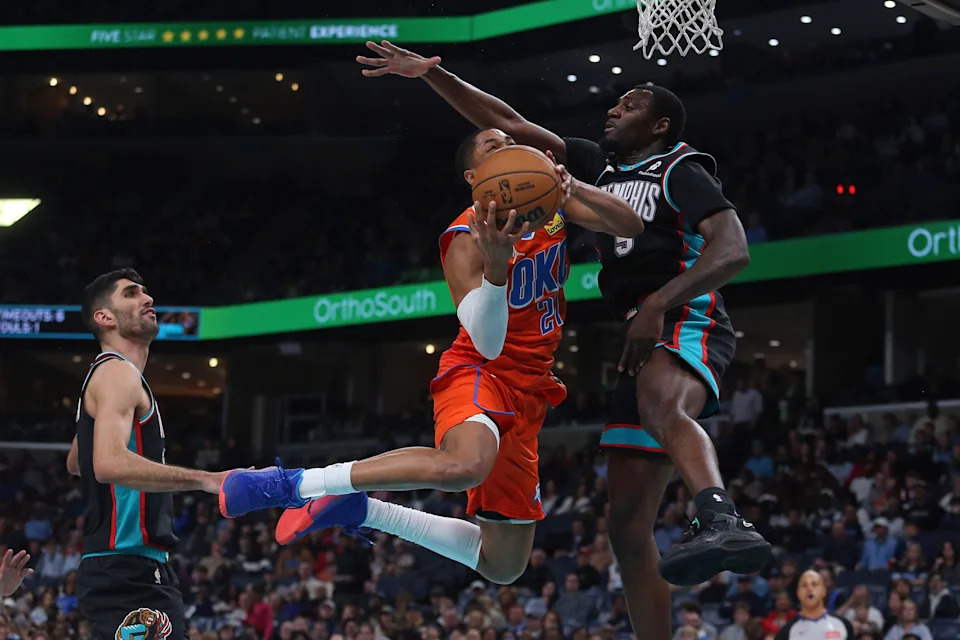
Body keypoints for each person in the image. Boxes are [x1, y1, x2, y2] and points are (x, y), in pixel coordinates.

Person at [352, 38, 768, 633]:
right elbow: (506, 122)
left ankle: (720, 514)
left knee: (660, 405)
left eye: (629, 105)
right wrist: (431, 76)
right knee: (626, 527)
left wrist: (657, 303)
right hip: (637, 331)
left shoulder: (680, 166)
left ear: (661, 123)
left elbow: (734, 250)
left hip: (685, 312)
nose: (613, 111)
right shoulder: (592, 167)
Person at [219, 132, 646, 585]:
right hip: (479, 369)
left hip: (530, 386)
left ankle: (365, 509)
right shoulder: (464, 237)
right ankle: (294, 484)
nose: (505, 146)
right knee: (464, 466)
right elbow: (486, 343)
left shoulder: (547, 209)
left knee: (503, 565)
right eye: (491, 147)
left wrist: (572, 187)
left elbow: (632, 226)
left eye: (509, 142)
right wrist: (498, 268)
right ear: (475, 177)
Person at [67, 269, 238, 640]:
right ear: (104, 317)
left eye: (146, 292)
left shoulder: (110, 377)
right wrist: (207, 479)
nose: (148, 299)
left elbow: (75, 462)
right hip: (125, 565)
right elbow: (107, 464)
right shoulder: (117, 374)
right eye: (131, 294)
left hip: (125, 566)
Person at [775, 570, 854, 639]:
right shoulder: (787, 631)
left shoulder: (843, 624)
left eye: (814, 584)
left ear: (824, 591)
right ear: (798, 593)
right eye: (804, 585)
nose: (809, 589)